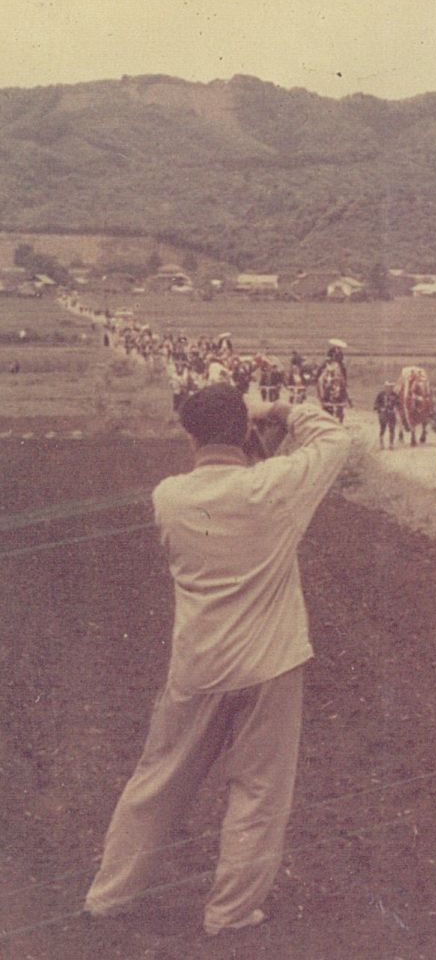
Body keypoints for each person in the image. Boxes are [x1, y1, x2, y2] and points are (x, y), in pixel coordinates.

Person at [85, 386, 349, 936]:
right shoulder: (274, 488)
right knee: (258, 792)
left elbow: (227, 489)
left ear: (190, 436)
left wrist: (248, 436)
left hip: (199, 665)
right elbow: (332, 437)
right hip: (271, 663)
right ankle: (230, 912)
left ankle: (110, 896)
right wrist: (277, 411)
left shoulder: (170, 497)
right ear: (245, 430)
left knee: (157, 781)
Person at [373, 382, 402, 449]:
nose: (389, 388)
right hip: (383, 414)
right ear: (385, 387)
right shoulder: (381, 394)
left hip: (391, 413)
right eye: (388, 387)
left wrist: (396, 407)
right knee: (383, 428)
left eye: (391, 387)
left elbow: (399, 403)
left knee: (392, 428)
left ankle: (391, 444)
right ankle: (381, 443)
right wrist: (380, 408)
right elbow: (376, 403)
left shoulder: (395, 395)